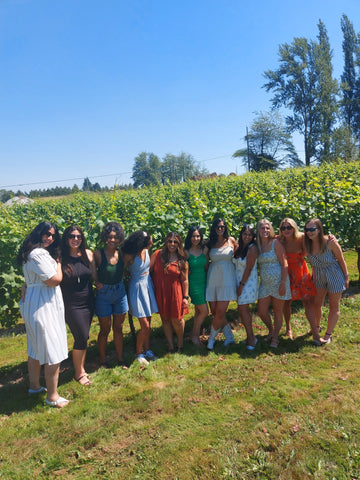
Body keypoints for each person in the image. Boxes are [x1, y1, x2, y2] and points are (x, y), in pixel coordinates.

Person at [18, 221, 69, 408]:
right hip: (43, 304)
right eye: (46, 234)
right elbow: (54, 280)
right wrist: (58, 262)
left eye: (53, 235)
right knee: (51, 349)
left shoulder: (30, 253)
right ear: (38, 233)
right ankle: (52, 397)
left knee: (35, 347)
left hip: (34, 301)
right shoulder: (38, 254)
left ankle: (34, 386)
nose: (50, 238)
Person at [278, 218, 324, 345]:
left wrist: (330, 237)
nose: (286, 230)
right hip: (287, 275)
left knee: (308, 303)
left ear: (294, 228)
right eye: (283, 228)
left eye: (289, 227)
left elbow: (317, 238)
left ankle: (315, 332)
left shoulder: (302, 238)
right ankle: (288, 329)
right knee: (286, 303)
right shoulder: (279, 240)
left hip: (301, 273)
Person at [304, 218, 349, 344]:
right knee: (316, 304)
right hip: (318, 275)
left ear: (319, 229)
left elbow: (341, 259)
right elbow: (289, 234)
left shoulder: (330, 243)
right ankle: (316, 328)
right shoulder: (306, 242)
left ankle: (328, 334)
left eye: (312, 229)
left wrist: (346, 276)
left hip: (334, 274)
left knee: (334, 305)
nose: (309, 232)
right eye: (307, 229)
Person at [61, 225, 95, 385]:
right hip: (71, 303)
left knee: (85, 336)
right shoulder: (60, 257)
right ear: (66, 238)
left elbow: (93, 275)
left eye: (79, 236)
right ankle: (78, 373)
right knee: (80, 335)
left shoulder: (87, 254)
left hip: (88, 301)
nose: (75, 239)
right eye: (72, 236)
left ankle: (81, 368)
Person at [94, 221, 128, 368]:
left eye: (115, 237)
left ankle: (120, 359)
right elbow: (92, 272)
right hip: (104, 294)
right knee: (105, 329)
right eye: (109, 237)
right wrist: (96, 282)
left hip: (120, 292)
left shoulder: (122, 253)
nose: (112, 240)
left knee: (119, 328)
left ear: (120, 238)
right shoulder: (98, 254)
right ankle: (103, 361)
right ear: (105, 238)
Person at [122, 231, 158, 365]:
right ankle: (139, 353)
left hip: (147, 285)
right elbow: (121, 269)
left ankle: (147, 349)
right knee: (145, 325)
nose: (151, 242)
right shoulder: (129, 255)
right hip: (136, 288)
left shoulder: (146, 250)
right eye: (150, 240)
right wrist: (131, 273)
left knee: (148, 320)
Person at [150, 232, 189, 353]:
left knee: (177, 319)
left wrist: (185, 297)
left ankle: (181, 344)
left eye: (175, 242)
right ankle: (171, 346)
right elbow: (147, 269)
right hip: (161, 291)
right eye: (170, 241)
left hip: (175, 292)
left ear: (179, 244)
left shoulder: (182, 261)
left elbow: (185, 280)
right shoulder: (157, 255)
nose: (172, 244)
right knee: (165, 319)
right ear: (166, 242)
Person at [257, 219, 291, 348]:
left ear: (270, 229)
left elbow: (284, 263)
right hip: (265, 284)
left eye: (267, 228)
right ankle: (271, 330)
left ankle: (275, 338)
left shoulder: (275, 243)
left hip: (279, 282)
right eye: (262, 228)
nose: (265, 230)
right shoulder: (258, 245)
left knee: (278, 311)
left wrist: (283, 283)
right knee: (261, 311)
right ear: (258, 230)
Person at [205, 218, 237, 350]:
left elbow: (240, 254)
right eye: (218, 227)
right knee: (214, 312)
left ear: (225, 228)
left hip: (227, 279)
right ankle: (229, 337)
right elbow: (206, 263)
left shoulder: (231, 240)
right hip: (213, 278)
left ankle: (211, 339)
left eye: (222, 227)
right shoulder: (209, 244)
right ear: (214, 228)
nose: (220, 229)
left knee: (219, 312)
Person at [232, 224, 259, 350]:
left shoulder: (252, 248)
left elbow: (248, 268)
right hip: (240, 281)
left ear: (253, 236)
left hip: (247, 282)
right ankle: (250, 336)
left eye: (249, 234)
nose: (247, 236)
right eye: (245, 234)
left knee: (242, 309)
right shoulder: (239, 247)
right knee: (242, 309)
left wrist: (242, 285)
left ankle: (251, 338)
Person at [184, 226, 209, 347]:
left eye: (198, 236)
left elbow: (206, 266)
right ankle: (194, 335)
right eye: (193, 236)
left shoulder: (204, 250)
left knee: (198, 311)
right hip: (193, 284)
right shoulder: (186, 252)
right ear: (190, 237)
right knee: (205, 311)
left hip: (203, 282)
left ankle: (196, 334)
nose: (196, 238)